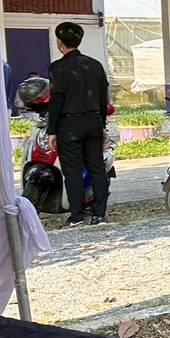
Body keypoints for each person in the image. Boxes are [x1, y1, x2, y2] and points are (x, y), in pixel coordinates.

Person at [46, 22, 111, 226]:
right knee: (97, 168)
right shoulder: (95, 65)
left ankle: (77, 215)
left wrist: (51, 130)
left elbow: (56, 99)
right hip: (93, 121)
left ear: (59, 43)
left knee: (72, 171)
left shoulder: (57, 67)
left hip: (69, 124)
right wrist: (102, 125)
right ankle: (99, 214)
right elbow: (103, 99)